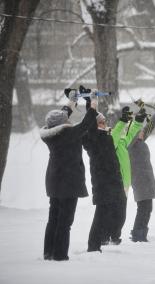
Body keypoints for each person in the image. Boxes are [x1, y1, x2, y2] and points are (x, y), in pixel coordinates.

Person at [40, 91, 97, 261]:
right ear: (63, 124)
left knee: (53, 219)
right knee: (65, 222)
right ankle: (59, 255)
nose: (69, 120)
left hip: (54, 181)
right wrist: (93, 103)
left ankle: (48, 252)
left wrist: (72, 101)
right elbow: (87, 122)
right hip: (68, 183)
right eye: (67, 120)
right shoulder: (69, 134)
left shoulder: (51, 135)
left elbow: (62, 115)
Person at [82, 98, 135, 252]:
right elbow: (90, 124)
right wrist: (91, 106)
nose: (104, 124)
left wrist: (124, 120)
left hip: (115, 181)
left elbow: (117, 132)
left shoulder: (107, 137)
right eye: (101, 122)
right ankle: (94, 246)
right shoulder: (91, 138)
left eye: (105, 121)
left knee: (119, 211)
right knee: (101, 215)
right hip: (103, 182)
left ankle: (111, 236)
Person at [102, 106, 145, 245]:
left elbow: (130, 134)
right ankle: (105, 236)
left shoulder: (121, 142)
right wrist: (122, 121)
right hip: (116, 183)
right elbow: (115, 135)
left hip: (125, 184)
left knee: (121, 214)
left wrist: (138, 121)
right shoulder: (110, 143)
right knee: (112, 212)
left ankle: (115, 236)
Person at [128, 109, 155, 242]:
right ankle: (138, 235)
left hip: (146, 179)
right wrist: (138, 120)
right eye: (140, 131)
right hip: (139, 179)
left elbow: (148, 129)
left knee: (146, 207)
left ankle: (140, 233)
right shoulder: (131, 144)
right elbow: (136, 131)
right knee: (144, 207)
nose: (143, 133)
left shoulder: (139, 141)